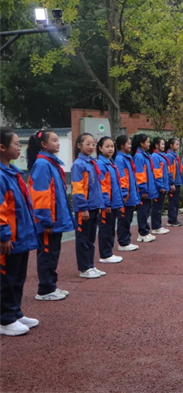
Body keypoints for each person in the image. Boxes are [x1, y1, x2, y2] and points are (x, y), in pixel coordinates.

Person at [1, 128, 41, 336]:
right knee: (6, 279)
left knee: (17, 277)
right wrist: (3, 235)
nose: (20, 147)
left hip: (21, 236)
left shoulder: (13, 172)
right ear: (2, 147)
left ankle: (15, 312)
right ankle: (5, 318)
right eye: (16, 144)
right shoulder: (2, 176)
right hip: (10, 237)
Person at [26, 130, 75, 301]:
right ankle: (45, 289)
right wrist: (46, 220)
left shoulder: (50, 164)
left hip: (54, 220)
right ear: (44, 144)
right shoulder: (43, 165)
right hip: (49, 221)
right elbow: (40, 196)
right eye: (54, 140)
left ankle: (51, 285)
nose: (58, 142)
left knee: (52, 253)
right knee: (47, 254)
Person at [72, 133, 106, 278]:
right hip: (85, 208)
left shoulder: (92, 163)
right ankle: (84, 268)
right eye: (88, 144)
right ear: (79, 145)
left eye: (93, 144)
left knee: (91, 238)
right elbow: (78, 189)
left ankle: (90, 265)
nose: (91, 147)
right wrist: (83, 208)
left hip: (94, 206)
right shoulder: (79, 164)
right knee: (83, 239)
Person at [96, 137, 124, 264]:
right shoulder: (101, 164)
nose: (110, 149)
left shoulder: (111, 163)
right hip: (107, 204)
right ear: (100, 148)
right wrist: (105, 203)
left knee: (111, 227)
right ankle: (105, 254)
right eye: (107, 146)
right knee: (105, 229)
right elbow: (103, 186)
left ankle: (109, 252)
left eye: (112, 146)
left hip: (114, 203)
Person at [114, 135, 140, 251]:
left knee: (128, 219)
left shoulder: (127, 158)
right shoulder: (120, 159)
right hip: (126, 195)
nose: (130, 146)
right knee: (124, 219)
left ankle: (126, 240)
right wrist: (124, 193)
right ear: (121, 145)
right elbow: (122, 177)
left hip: (130, 194)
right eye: (128, 143)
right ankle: (123, 242)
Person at [133, 134, 158, 242]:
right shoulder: (139, 157)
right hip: (144, 190)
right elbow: (140, 175)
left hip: (148, 188)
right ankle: (142, 232)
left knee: (146, 211)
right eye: (147, 142)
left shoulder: (145, 155)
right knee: (143, 211)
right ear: (141, 143)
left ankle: (145, 231)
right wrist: (143, 189)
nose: (149, 144)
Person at [150, 137, 171, 234]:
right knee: (157, 208)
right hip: (159, 187)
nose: (163, 146)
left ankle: (158, 225)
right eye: (162, 144)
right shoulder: (155, 157)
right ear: (156, 145)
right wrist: (161, 186)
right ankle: (156, 227)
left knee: (159, 207)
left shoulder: (161, 156)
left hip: (163, 186)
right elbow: (157, 173)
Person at [165, 138, 183, 227]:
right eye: (176, 144)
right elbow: (170, 171)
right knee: (173, 201)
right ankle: (172, 219)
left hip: (177, 181)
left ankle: (174, 218)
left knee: (175, 201)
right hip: (174, 182)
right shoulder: (170, 156)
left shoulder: (174, 156)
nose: (178, 146)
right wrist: (172, 182)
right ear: (171, 145)